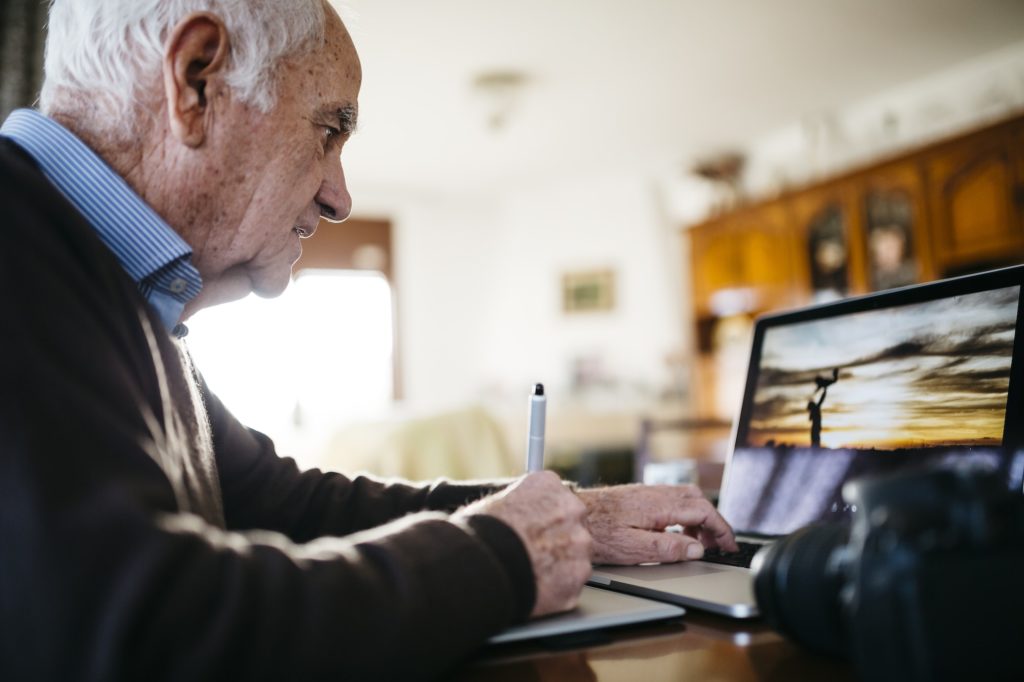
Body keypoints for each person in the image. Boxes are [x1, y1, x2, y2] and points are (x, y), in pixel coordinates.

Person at [0, 2, 737, 679]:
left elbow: (292, 507)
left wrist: (567, 514)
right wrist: (501, 554)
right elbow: (134, 635)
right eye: (328, 131)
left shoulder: (117, 289)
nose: (339, 196)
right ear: (198, 79)